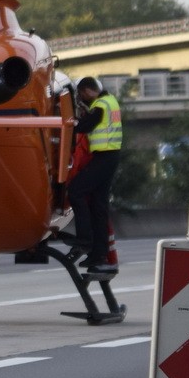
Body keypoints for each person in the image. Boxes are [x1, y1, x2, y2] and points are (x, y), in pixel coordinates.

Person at [67, 77, 122, 274]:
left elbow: (84, 126)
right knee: (98, 207)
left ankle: (84, 240)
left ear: (88, 91)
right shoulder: (111, 101)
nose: (83, 99)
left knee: (76, 191)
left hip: (104, 158)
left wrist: (68, 123)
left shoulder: (100, 105)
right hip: (109, 157)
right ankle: (98, 255)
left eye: (82, 95)